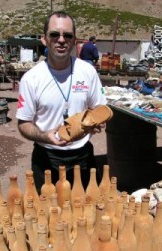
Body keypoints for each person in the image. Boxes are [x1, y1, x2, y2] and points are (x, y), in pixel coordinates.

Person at [16, 11, 107, 192]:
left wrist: (95, 122)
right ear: (44, 39)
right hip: (46, 157)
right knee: (48, 215)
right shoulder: (31, 78)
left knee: (85, 215)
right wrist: (44, 136)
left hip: (82, 156)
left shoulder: (87, 72)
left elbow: (99, 108)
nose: (61, 40)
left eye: (67, 35)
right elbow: (23, 123)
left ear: (74, 40)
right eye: (54, 34)